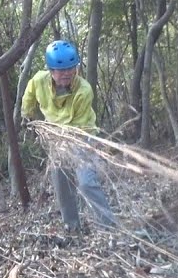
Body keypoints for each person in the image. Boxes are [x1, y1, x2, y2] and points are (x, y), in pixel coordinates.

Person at [21, 40, 119, 232]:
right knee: (61, 183)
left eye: (71, 68)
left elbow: (78, 126)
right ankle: (72, 226)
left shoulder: (84, 90)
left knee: (86, 182)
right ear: (51, 70)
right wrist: (29, 118)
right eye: (61, 70)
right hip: (56, 138)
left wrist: (58, 136)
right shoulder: (38, 81)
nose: (67, 73)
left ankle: (108, 228)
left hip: (80, 136)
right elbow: (29, 99)